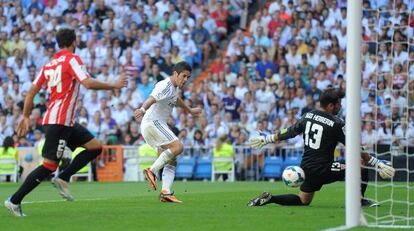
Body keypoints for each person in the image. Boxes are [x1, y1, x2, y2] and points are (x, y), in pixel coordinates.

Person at [4, 28, 128, 217]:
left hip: (65, 121)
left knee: (95, 147)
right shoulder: (72, 59)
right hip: (59, 121)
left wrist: (25, 116)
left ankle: (63, 176)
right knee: (48, 166)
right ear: (73, 43)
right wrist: (114, 85)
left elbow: (30, 93)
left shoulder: (48, 65)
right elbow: (87, 83)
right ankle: (14, 200)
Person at [247, 88, 395, 207]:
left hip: (307, 168)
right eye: (338, 103)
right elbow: (355, 147)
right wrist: (376, 163)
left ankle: (271, 198)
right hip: (325, 168)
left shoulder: (307, 116)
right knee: (359, 164)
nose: (340, 106)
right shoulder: (337, 123)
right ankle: (359, 201)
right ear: (330, 106)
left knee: (303, 200)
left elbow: (289, 132)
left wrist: (267, 138)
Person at [134, 61, 202, 203]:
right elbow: (151, 99)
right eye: (184, 76)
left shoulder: (173, 88)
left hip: (151, 126)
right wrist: (141, 109)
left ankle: (166, 193)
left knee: (172, 159)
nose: (185, 80)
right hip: (153, 122)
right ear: (176, 74)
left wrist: (189, 110)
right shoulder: (165, 85)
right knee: (178, 147)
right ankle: (151, 171)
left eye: (188, 77)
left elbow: (176, 99)